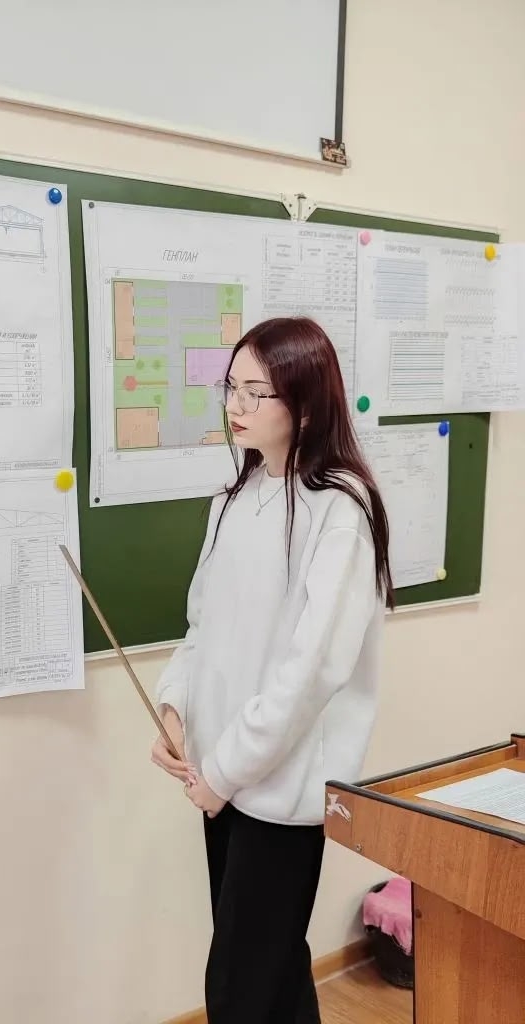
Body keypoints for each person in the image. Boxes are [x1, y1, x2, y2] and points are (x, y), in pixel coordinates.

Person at [151, 316, 393, 1024]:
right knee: (274, 970)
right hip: (220, 778)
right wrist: (174, 710)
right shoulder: (234, 500)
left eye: (257, 392)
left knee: (240, 985)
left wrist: (226, 771)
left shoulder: (339, 511)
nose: (236, 405)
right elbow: (202, 629)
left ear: (307, 405)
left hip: (278, 790)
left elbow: (309, 672)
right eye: (231, 387)